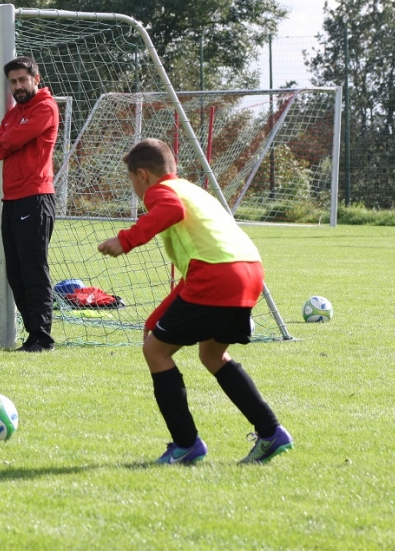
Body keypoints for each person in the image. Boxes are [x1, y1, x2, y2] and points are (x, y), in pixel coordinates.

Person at [97, 138, 293, 464]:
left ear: (143, 175)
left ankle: (185, 444)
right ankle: (271, 432)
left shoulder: (161, 192)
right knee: (212, 354)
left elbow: (171, 213)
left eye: (132, 180)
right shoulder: (193, 192)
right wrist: (154, 319)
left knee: (156, 352)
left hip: (217, 275)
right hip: (249, 271)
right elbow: (192, 275)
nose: (134, 189)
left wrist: (125, 240)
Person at [0, 56, 59, 352]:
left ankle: (42, 337)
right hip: (12, 199)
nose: (17, 86)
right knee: (15, 272)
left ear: (35, 79)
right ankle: (32, 335)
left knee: (33, 269)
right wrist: (8, 138)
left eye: (22, 80)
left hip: (35, 197)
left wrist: (8, 139)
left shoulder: (45, 107)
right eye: (13, 82)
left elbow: (9, 141)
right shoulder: (15, 113)